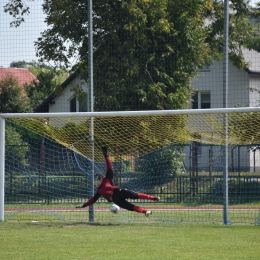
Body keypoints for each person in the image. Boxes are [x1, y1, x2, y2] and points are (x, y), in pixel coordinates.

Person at [76, 146, 160, 216]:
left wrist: (106, 155)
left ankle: (153, 198)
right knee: (130, 207)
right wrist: (83, 205)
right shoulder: (99, 190)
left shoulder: (107, 179)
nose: (97, 182)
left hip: (118, 191)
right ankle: (145, 212)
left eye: (97, 180)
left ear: (101, 178)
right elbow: (93, 200)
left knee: (135, 195)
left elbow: (109, 166)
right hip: (116, 200)